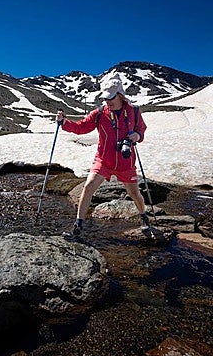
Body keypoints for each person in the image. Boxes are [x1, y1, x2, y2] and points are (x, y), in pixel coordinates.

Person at [56, 75, 150, 236]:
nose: (108, 102)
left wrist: (137, 136)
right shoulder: (100, 113)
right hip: (103, 160)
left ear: (120, 95)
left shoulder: (134, 111)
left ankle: (144, 216)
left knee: (134, 194)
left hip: (125, 163)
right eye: (105, 98)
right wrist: (64, 123)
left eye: (111, 98)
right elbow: (81, 127)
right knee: (88, 186)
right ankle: (78, 226)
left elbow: (141, 130)